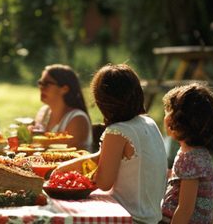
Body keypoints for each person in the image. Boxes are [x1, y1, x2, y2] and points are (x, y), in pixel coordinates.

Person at [54, 64, 167, 224]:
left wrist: (77, 177)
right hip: (152, 215)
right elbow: (101, 157)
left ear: (102, 102)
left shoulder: (118, 131)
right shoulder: (147, 122)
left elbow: (104, 183)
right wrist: (62, 169)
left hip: (131, 217)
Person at [160, 83, 213, 224]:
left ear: (178, 122)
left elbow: (185, 209)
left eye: (168, 111)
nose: (165, 116)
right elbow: (180, 179)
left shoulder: (191, 160)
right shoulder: (192, 152)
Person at [32, 64, 93, 150]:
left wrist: (35, 140)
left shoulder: (77, 119)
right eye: (40, 83)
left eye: (47, 84)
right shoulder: (43, 112)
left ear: (64, 89)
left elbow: (72, 154)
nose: (41, 88)